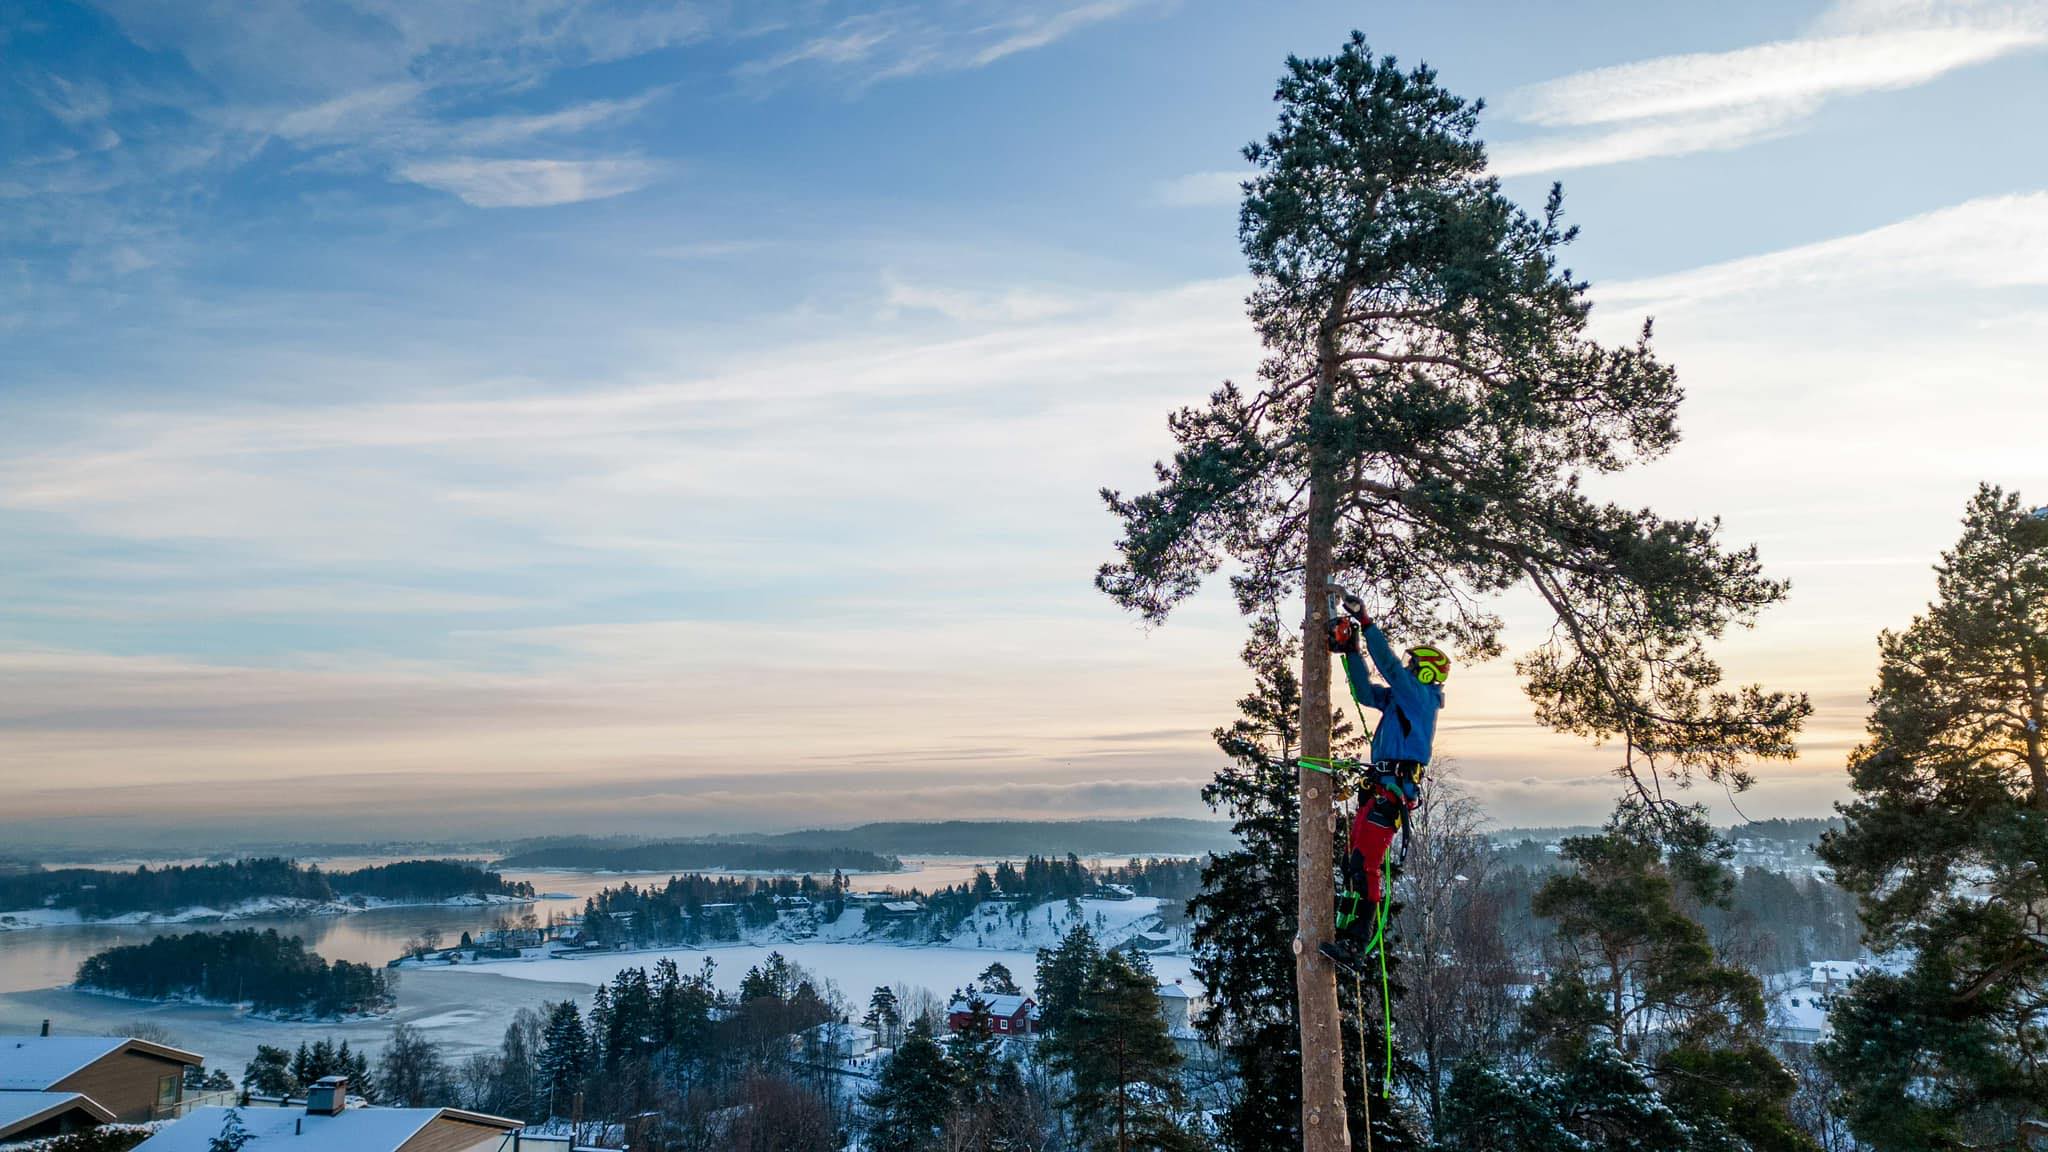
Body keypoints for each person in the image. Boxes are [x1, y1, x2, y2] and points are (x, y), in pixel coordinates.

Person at [1326, 601, 1448, 960]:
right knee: (1355, 862)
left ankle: (1357, 944)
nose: (1407, 669)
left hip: (1393, 792)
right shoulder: (1403, 700)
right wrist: (1350, 653)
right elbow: (1365, 693)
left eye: (1414, 666)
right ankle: (1348, 932)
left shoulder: (1420, 697)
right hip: (1380, 788)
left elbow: (1389, 667)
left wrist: (1367, 624)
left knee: (1366, 864)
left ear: (1425, 673)